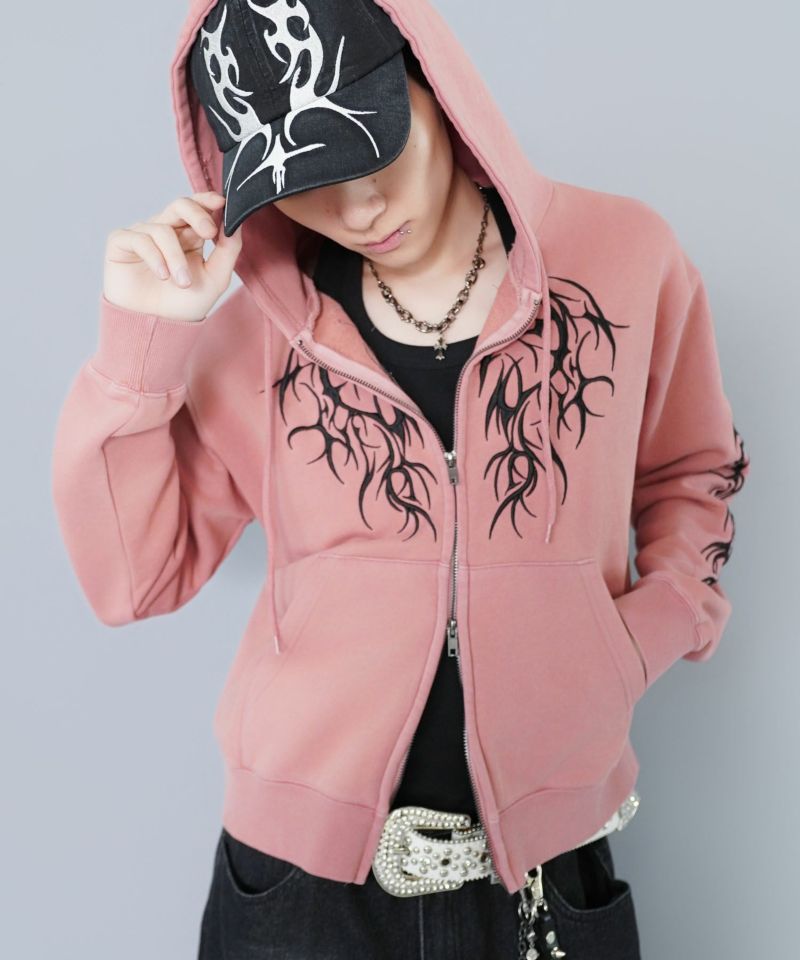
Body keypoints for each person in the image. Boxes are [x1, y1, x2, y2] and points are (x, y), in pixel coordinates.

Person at [51, 1, 751, 957]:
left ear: (434, 82)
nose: (358, 211)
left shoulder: (626, 257)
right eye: (308, 184)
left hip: (546, 877)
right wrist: (140, 347)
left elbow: (694, 468)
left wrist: (642, 635)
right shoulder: (249, 330)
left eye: (374, 152)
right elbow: (133, 579)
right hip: (298, 896)